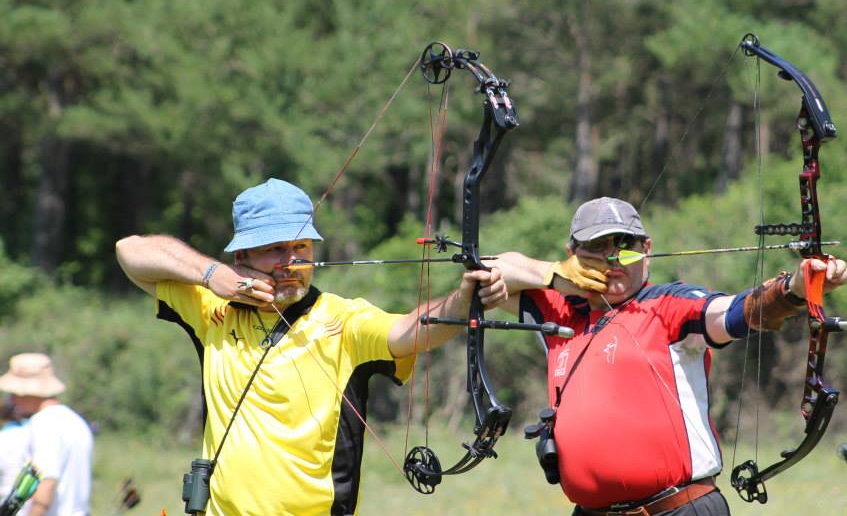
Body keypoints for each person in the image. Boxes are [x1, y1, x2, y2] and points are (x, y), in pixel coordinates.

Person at [115, 177, 506, 516]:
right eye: (275, 249)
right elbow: (129, 250)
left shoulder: (343, 320)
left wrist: (462, 300)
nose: (291, 261)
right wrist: (212, 275)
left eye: (301, 247)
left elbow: (413, 330)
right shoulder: (212, 308)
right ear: (242, 257)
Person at [494, 196, 847, 516]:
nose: (613, 259)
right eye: (596, 248)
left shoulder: (669, 306)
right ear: (572, 255)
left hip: (676, 509)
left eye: (626, 247)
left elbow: (734, 312)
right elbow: (487, 269)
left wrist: (792, 290)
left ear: (647, 248)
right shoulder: (559, 312)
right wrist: (554, 276)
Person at [0, 353, 93, 516]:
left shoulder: (44, 423)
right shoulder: (76, 422)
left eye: (15, 393)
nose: (12, 399)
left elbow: (46, 482)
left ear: (28, 392)